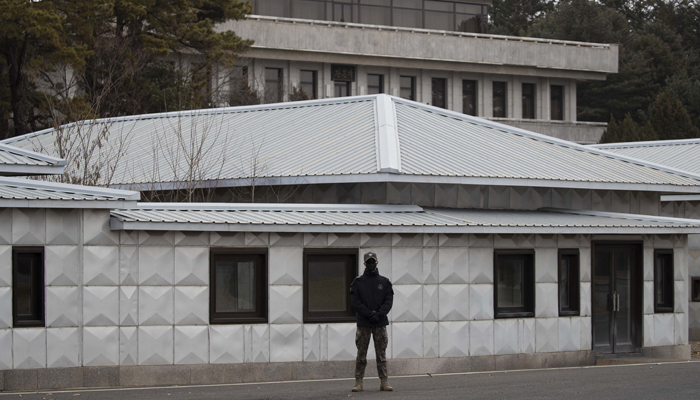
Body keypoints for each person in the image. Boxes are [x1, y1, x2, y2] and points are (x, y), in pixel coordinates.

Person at [349, 251, 394, 392]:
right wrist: (369, 314)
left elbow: (388, 301)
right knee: (361, 354)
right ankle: (358, 382)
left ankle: (384, 381)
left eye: (372, 261)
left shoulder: (384, 282)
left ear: (377, 262)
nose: (370, 264)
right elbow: (355, 302)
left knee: (381, 354)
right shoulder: (358, 283)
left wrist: (379, 314)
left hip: (379, 323)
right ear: (364, 264)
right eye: (368, 262)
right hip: (364, 324)